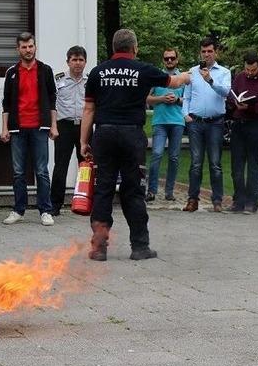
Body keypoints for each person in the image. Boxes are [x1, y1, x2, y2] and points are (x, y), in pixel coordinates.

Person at [80, 29, 190, 261]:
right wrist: (189, 75)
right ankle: (140, 247)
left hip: (104, 135)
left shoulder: (97, 72)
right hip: (131, 136)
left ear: (114, 47)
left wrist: (83, 141)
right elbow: (174, 82)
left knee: (103, 190)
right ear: (135, 48)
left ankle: (99, 248)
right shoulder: (143, 70)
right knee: (134, 190)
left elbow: (89, 109)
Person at [0, 32, 58, 226]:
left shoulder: (45, 70)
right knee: (18, 172)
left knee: (41, 171)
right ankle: (18, 210)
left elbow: (52, 100)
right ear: (18, 49)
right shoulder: (12, 72)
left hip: (40, 127)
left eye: (30, 46)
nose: (28, 50)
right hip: (17, 129)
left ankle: (45, 210)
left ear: (35, 47)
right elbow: (6, 103)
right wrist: (5, 128)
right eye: (24, 47)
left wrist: (53, 125)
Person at [181, 37, 231, 213]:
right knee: (196, 163)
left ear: (215, 52)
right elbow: (186, 96)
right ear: (200, 53)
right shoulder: (192, 72)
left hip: (215, 122)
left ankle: (217, 200)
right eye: (204, 51)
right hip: (195, 122)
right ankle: (192, 199)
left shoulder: (224, 72)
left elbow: (226, 92)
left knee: (215, 163)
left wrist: (210, 80)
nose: (207, 54)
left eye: (210, 51)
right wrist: (185, 114)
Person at [226, 50, 258, 214]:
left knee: (253, 164)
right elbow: (231, 96)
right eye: (247, 69)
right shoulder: (239, 77)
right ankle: (238, 200)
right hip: (239, 124)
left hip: (256, 124)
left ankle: (252, 201)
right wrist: (234, 103)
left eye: (253, 70)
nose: (249, 72)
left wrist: (251, 107)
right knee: (237, 165)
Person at [49, 46, 87, 216]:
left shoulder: (90, 80)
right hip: (64, 126)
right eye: (74, 60)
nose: (77, 63)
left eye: (81, 60)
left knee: (86, 166)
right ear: (68, 62)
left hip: (84, 127)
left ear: (85, 62)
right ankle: (55, 205)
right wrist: (53, 126)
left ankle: (85, 202)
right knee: (60, 166)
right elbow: (52, 104)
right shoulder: (58, 80)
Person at [146, 48, 184, 202]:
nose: (169, 61)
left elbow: (190, 101)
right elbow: (147, 98)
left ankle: (169, 191)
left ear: (177, 60)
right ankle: (152, 190)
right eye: (166, 58)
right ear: (163, 60)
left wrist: (177, 100)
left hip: (177, 122)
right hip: (160, 121)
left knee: (174, 157)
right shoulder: (157, 76)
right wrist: (161, 99)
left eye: (172, 58)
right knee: (156, 154)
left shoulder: (182, 77)